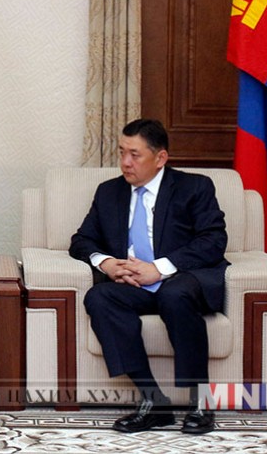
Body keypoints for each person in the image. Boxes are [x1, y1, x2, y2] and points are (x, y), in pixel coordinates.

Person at [69, 118, 227, 434]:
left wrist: (160, 268)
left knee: (175, 294)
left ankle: (200, 401)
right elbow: (81, 240)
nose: (125, 162)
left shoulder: (194, 187)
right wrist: (107, 263)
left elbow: (213, 240)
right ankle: (153, 402)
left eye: (135, 154)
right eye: (121, 152)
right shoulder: (109, 192)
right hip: (134, 285)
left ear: (160, 158)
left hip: (180, 280)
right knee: (99, 297)